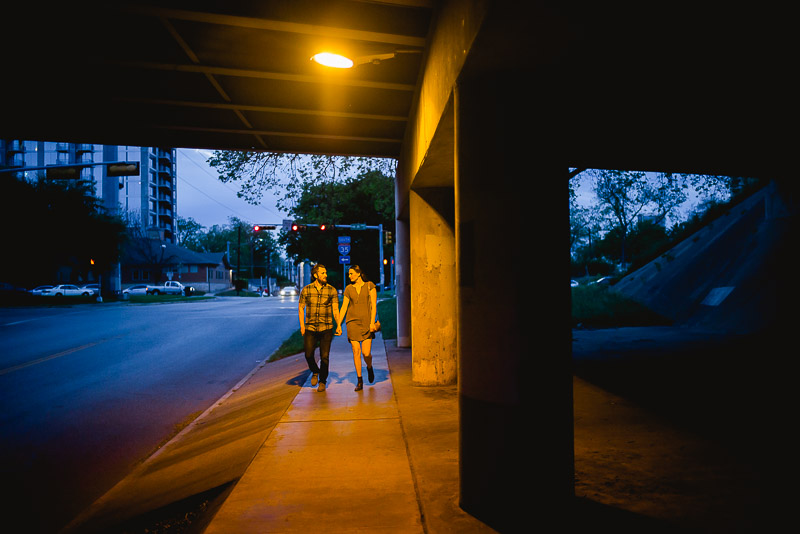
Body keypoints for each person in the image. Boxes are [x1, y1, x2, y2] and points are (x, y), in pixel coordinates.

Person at [298, 264, 341, 392]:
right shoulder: (306, 290)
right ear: (316, 275)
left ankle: (322, 381)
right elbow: (301, 307)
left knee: (325, 356)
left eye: (325, 272)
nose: (325, 275)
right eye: (322, 273)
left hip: (326, 328)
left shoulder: (331, 290)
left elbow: (335, 309)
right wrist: (302, 326)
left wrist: (338, 325)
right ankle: (315, 371)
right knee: (308, 355)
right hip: (310, 328)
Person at [337, 265, 377, 391]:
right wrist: (338, 323)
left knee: (366, 353)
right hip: (352, 322)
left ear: (358, 273)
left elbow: (373, 306)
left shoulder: (370, 286)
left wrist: (372, 323)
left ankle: (369, 367)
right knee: (356, 351)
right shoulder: (349, 289)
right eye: (348, 274)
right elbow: (344, 307)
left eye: (351, 273)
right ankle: (359, 380)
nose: (349, 276)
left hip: (366, 323)